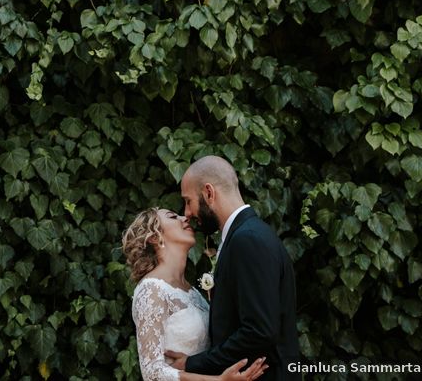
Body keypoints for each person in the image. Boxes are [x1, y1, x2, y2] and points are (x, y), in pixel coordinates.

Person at [165, 156, 300, 381]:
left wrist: (193, 363)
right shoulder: (247, 234)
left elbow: (259, 331)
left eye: (188, 201)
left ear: (209, 193)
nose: (187, 212)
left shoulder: (247, 240)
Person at [122, 207, 268, 381]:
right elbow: (152, 373)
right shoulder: (151, 289)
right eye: (173, 217)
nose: (184, 218)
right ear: (154, 237)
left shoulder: (191, 291)